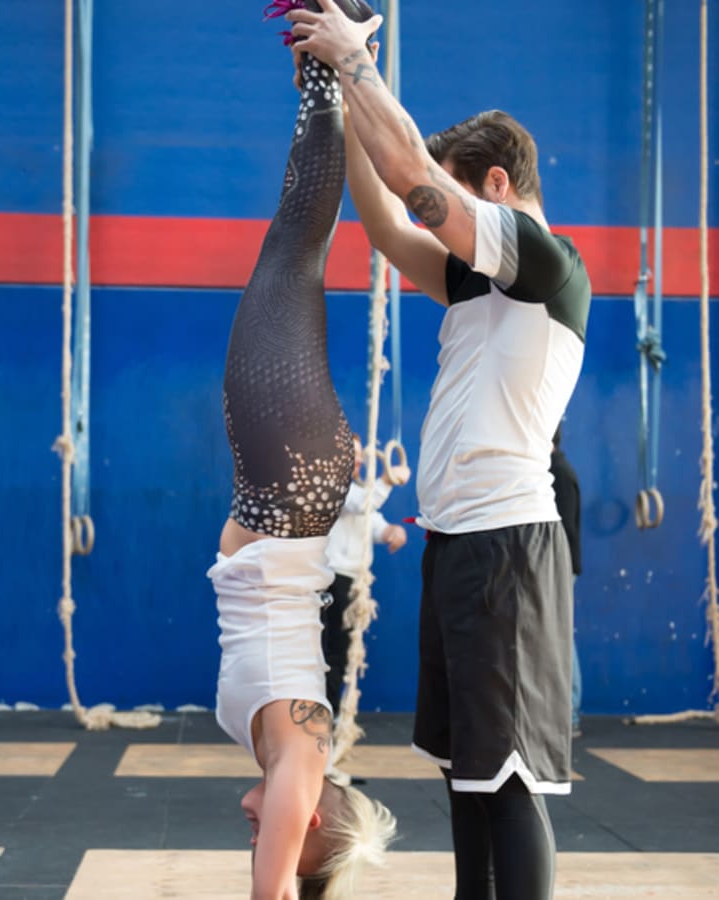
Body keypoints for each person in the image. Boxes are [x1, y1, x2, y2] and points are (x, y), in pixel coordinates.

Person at [285, 3, 592, 898]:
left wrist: (357, 62)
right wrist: (336, 97)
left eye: (460, 198)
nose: (443, 212)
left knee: (510, 786)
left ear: (495, 186)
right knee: (467, 773)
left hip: (508, 546)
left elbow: (416, 175)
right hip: (459, 545)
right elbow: (389, 223)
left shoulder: (541, 260)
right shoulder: (472, 284)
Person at [208, 2, 396, 896]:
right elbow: (279, 866)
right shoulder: (303, 762)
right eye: (272, 843)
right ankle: (341, 45)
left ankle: (326, 68)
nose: (255, 832)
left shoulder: (295, 750)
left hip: (282, 485)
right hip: (290, 480)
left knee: (291, 247)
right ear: (306, 826)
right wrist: (276, 886)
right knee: (294, 250)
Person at [322, 434, 409, 715]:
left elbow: (371, 521)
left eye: (359, 454)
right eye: (352, 453)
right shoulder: (331, 488)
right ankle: (322, 714)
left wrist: (391, 532)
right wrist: (386, 480)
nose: (358, 459)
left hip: (350, 584)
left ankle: (328, 713)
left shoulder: (357, 490)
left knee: (340, 652)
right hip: (332, 580)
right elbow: (360, 505)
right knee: (329, 652)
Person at [550, 423, 584, 738]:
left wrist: (557, 568)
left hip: (560, 566)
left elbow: (564, 530)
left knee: (560, 636)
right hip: (558, 565)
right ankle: (567, 711)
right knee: (558, 635)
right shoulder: (555, 470)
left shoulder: (558, 473)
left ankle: (570, 712)